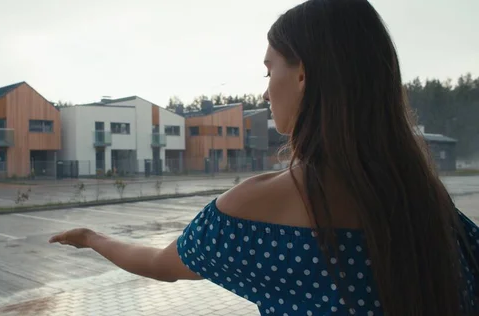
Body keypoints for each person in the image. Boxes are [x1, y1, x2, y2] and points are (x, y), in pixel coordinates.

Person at [49, 0, 479, 314]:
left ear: (304, 73)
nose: (264, 89)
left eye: (269, 70)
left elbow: (160, 264)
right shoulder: (436, 209)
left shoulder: (261, 204)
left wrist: (92, 238)